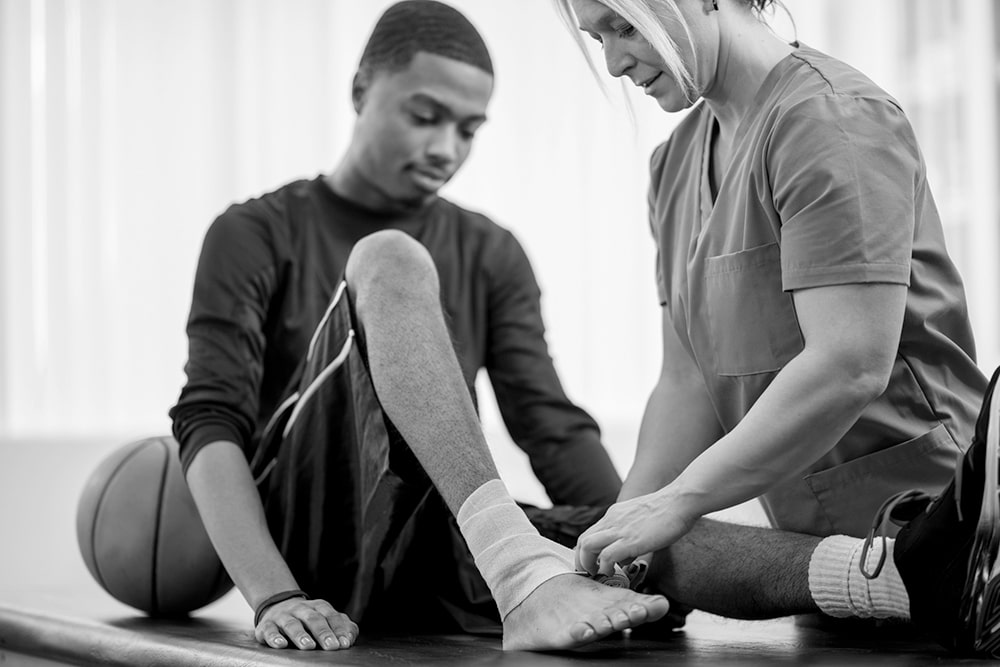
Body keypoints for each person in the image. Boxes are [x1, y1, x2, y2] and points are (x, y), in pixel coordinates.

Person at [169, 0, 670, 653]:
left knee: (677, 540)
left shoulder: (492, 251)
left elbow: (549, 425)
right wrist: (275, 594)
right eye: (424, 117)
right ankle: (519, 566)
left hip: (446, 537)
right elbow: (210, 419)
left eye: (469, 129)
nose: (446, 148)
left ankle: (844, 578)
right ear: (360, 91)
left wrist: (623, 543)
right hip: (317, 546)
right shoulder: (254, 232)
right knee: (390, 256)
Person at [553, 0, 1000, 657]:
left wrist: (678, 500)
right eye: (598, 38)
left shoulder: (830, 118)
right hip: (822, 560)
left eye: (625, 27)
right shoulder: (672, 165)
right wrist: (621, 537)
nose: (615, 63)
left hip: (941, 525)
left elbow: (850, 363)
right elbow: (685, 385)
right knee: (637, 542)